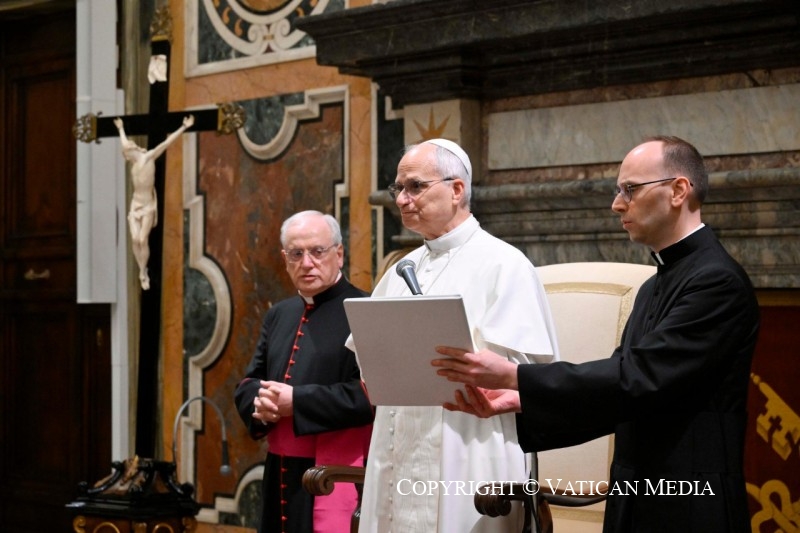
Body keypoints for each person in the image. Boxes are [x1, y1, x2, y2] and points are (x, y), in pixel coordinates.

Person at [433, 136, 760, 533]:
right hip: (634, 494)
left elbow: (639, 377)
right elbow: (620, 392)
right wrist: (520, 402)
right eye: (618, 191)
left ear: (678, 190)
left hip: (691, 505)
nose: (617, 203)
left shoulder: (717, 282)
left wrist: (513, 374)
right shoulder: (654, 285)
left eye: (630, 189)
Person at [350, 139, 560, 532]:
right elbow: (366, 355)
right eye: (399, 189)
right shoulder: (401, 268)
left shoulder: (505, 264)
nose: (401, 200)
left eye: (415, 186)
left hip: (469, 442)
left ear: (457, 190)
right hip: (398, 442)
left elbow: (533, 376)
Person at [234, 211, 374, 533]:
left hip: (334, 473)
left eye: (317, 251)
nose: (307, 262)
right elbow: (247, 380)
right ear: (285, 259)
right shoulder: (279, 314)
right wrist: (260, 403)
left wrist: (296, 401)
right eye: (296, 254)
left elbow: (370, 395)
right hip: (279, 474)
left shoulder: (365, 310)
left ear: (339, 254)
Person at [113, 114, 194, 290]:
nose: (126, 156)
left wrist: (184, 127)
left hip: (148, 205)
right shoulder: (134, 164)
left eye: (127, 153)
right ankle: (141, 270)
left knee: (142, 239)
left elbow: (166, 144)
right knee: (135, 239)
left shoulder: (148, 157)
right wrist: (120, 128)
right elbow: (124, 142)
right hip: (136, 204)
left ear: (133, 151)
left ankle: (143, 272)